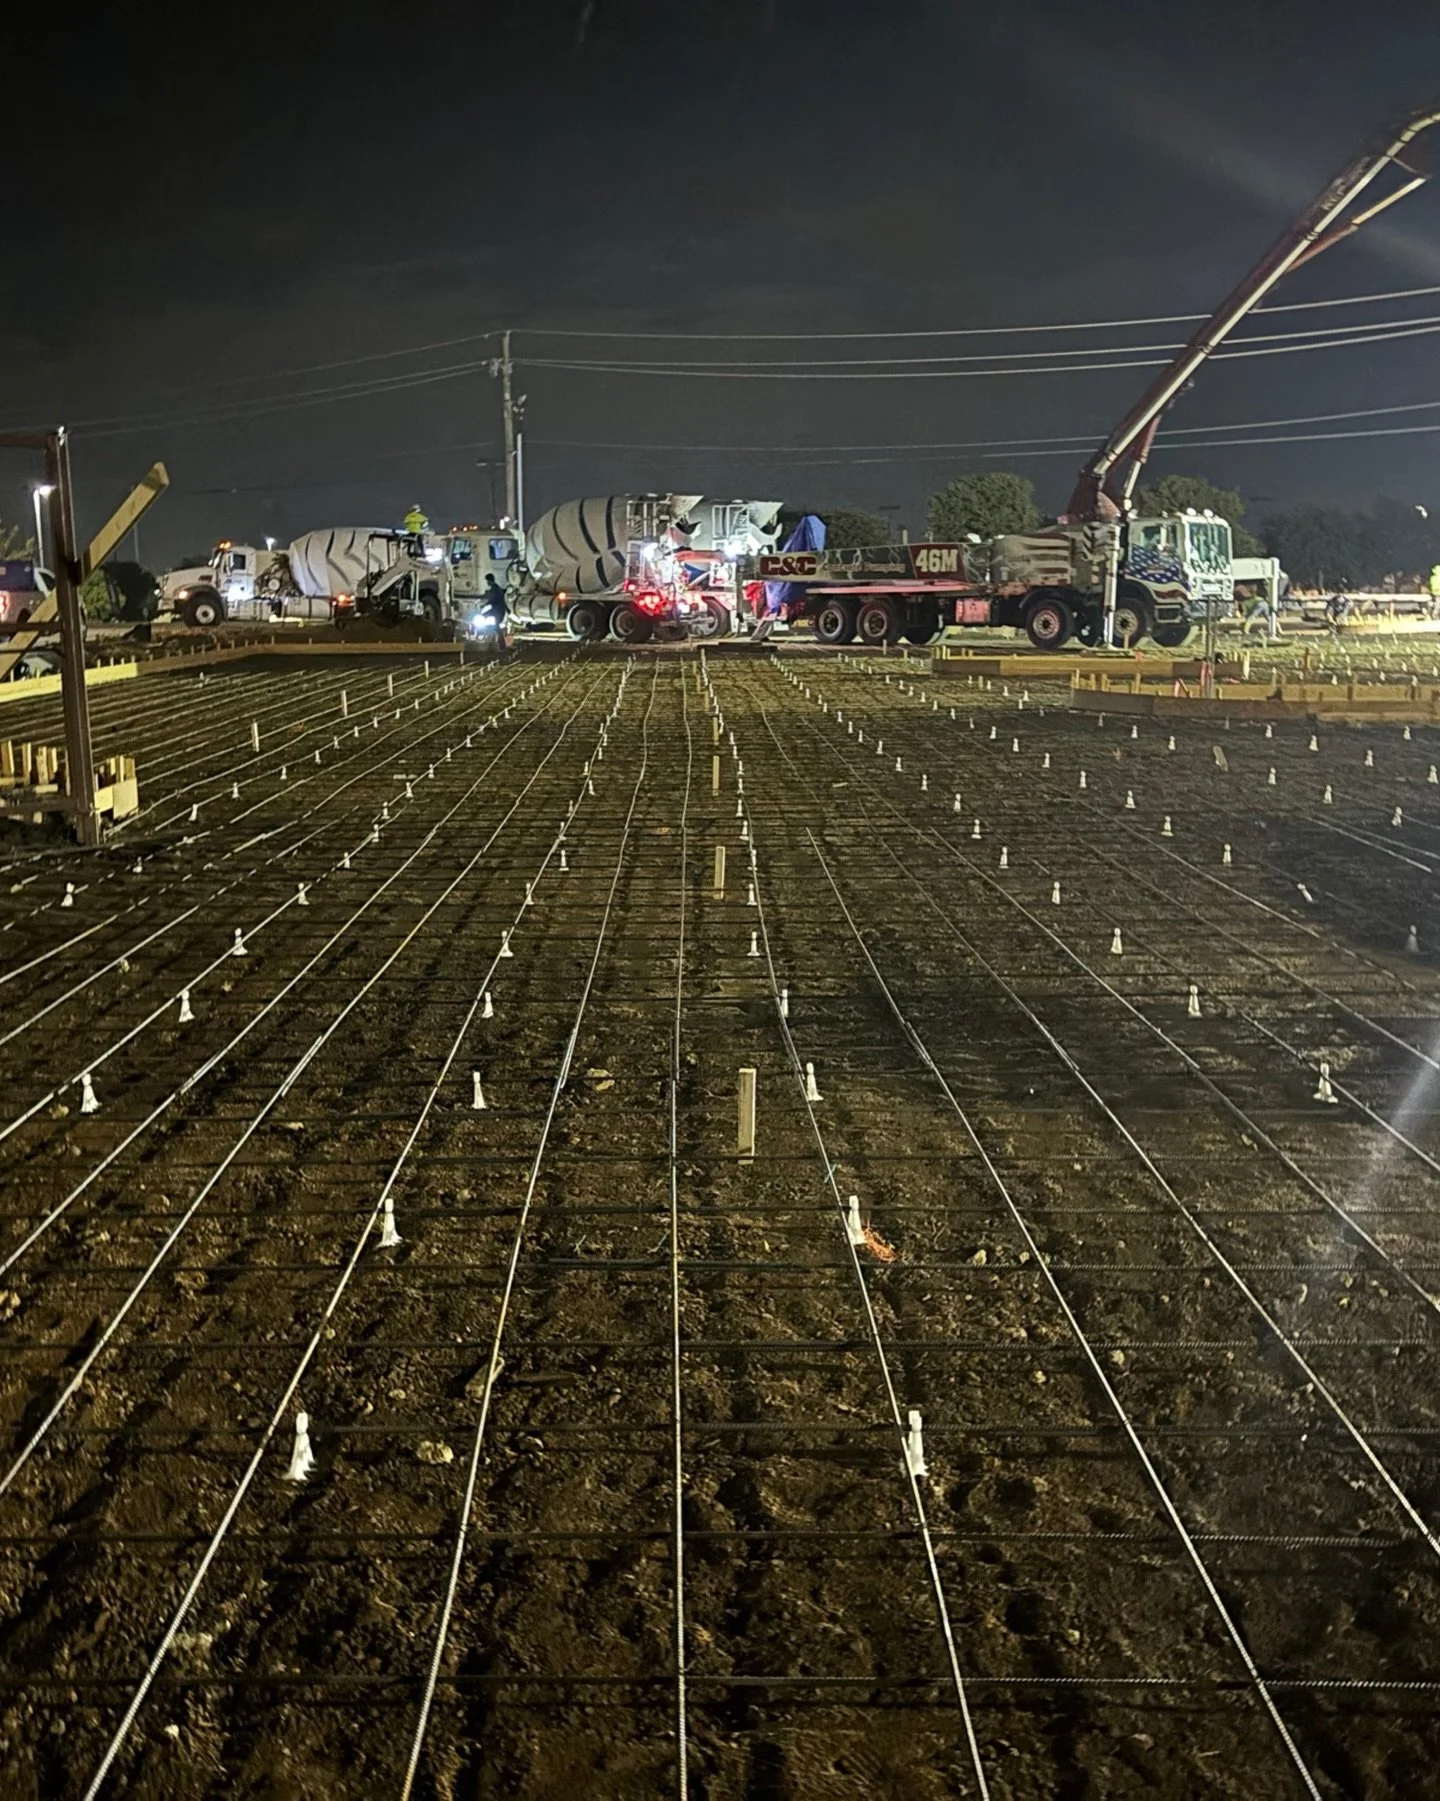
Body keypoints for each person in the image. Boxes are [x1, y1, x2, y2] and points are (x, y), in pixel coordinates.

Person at [481, 572, 509, 647]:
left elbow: (493, 601)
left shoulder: (495, 589)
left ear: (490, 581)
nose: (487, 583)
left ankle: (501, 643)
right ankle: (500, 643)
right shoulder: (496, 588)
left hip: (498, 610)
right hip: (498, 609)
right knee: (496, 626)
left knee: (496, 626)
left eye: (487, 581)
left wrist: (485, 606)